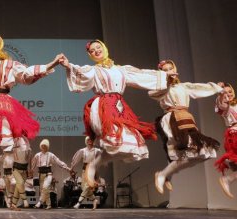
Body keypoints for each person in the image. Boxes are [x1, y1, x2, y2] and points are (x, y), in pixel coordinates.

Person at [59, 40, 173, 187]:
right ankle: (92, 167)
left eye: (98, 47)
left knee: (127, 145)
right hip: (105, 106)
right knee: (114, 140)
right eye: (92, 51)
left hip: (119, 106)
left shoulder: (121, 70)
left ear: (104, 48)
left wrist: (164, 76)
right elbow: (80, 72)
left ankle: (93, 166)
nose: (96, 51)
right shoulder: (94, 70)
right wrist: (68, 65)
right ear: (90, 55)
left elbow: (142, 75)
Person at [149, 60, 221, 194]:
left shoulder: (183, 87)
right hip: (172, 119)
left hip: (186, 118)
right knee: (182, 151)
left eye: (171, 68)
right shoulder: (161, 88)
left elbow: (200, 88)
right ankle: (162, 175)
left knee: (199, 153)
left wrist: (217, 88)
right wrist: (167, 82)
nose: (169, 71)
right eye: (165, 70)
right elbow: (153, 94)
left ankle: (165, 174)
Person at [31, 139, 70, 209]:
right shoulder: (37, 155)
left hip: (48, 174)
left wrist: (67, 168)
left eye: (45, 145)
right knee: (44, 190)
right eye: (42, 145)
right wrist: (31, 170)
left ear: (47, 146)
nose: (43, 146)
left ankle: (40, 202)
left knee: (45, 187)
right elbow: (33, 164)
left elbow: (58, 162)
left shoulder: (51, 155)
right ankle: (48, 204)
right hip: (40, 174)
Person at [214, 83, 237, 198]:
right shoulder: (225, 106)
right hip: (234, 135)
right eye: (226, 92)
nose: (229, 94)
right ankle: (227, 179)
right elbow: (222, 106)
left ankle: (230, 164)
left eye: (230, 91)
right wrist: (220, 93)